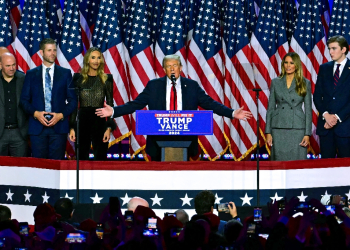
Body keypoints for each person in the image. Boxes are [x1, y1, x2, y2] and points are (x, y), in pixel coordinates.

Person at [96, 54, 252, 160]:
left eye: (175, 66)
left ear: (181, 68)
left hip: (185, 139)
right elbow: (135, 104)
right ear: (164, 69)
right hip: (159, 140)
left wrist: (231, 113)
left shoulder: (191, 86)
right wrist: (114, 110)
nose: (172, 69)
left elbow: (210, 103)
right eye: (168, 66)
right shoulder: (154, 86)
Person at [20, 38, 77, 160]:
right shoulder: (31, 74)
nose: (53, 53)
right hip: (37, 129)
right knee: (39, 168)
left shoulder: (65, 73)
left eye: (54, 50)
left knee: (56, 167)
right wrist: (36, 114)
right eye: (49, 50)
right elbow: (24, 101)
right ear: (41, 52)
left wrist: (60, 115)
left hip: (58, 129)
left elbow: (73, 101)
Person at [69, 47, 115, 161]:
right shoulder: (78, 78)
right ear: (87, 60)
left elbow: (110, 104)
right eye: (93, 57)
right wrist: (71, 127)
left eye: (99, 58)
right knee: (81, 157)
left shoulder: (107, 79)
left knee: (101, 157)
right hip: (82, 121)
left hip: (99, 120)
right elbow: (74, 105)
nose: (96, 61)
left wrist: (108, 128)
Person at [265, 52, 312, 161]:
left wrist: (307, 134)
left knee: (297, 163)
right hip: (278, 127)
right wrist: (268, 132)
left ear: (296, 65)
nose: (288, 65)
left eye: (291, 63)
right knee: (278, 164)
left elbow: (308, 110)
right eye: (286, 62)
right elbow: (270, 108)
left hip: (297, 128)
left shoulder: (305, 83)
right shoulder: (275, 82)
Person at [314, 35, 350, 158]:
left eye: (334, 48)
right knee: (326, 167)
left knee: (346, 168)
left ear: (344, 49)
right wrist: (326, 115)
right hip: (325, 128)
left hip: (345, 127)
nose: (330, 52)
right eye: (329, 49)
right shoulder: (324, 68)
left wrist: (336, 117)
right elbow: (317, 96)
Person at [0, 53, 28, 157]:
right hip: (1, 133)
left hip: (19, 132)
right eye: (8, 66)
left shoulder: (23, 79)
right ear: (0, 65)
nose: (12, 68)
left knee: (19, 169)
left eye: (13, 65)